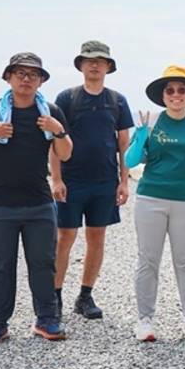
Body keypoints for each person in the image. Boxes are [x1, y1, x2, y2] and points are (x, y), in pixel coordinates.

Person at [0, 53, 73, 345]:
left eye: (33, 74)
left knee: (43, 263)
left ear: (41, 81)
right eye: (20, 73)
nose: (26, 79)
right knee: (0, 265)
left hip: (38, 202)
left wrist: (58, 131)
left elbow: (65, 153)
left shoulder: (49, 113)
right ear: (8, 77)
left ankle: (47, 320)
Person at [126, 65, 185, 343]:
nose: (176, 95)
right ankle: (145, 321)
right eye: (170, 90)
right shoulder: (151, 121)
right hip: (150, 199)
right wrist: (141, 136)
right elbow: (131, 161)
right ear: (162, 95)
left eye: (182, 90)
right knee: (148, 261)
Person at [50, 41, 134, 322]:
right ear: (81, 65)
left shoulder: (117, 100)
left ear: (109, 66)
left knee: (97, 238)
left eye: (100, 60)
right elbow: (55, 141)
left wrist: (124, 181)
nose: (95, 65)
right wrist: (57, 179)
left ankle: (85, 296)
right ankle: (55, 295)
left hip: (104, 182)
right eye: (89, 60)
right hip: (72, 181)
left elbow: (124, 144)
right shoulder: (66, 99)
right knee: (64, 238)